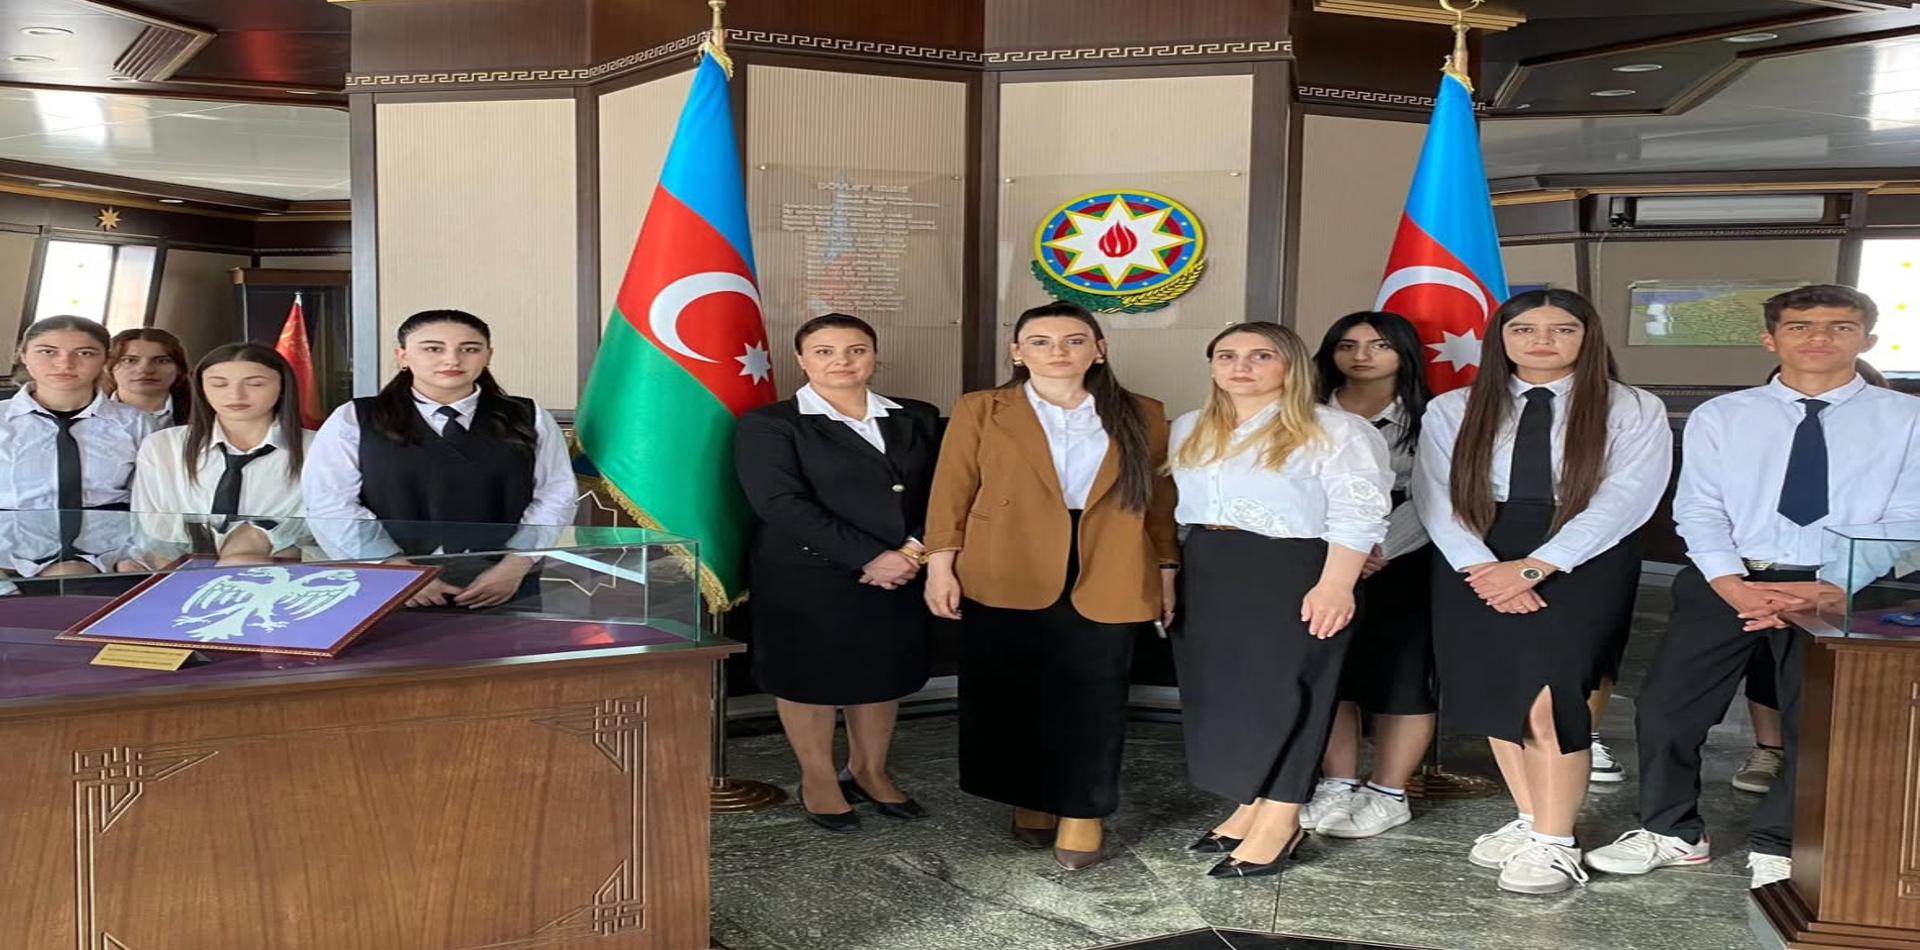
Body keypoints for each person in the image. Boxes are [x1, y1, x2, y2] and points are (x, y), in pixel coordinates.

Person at [1586, 284, 1920, 889]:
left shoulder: (1906, 418)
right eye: (1800, 326)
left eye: (1840, 327)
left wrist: (1832, 584)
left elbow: (1908, 514)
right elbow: (1699, 507)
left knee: (1818, 720)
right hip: (1729, 579)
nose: (1819, 338)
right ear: (1771, 339)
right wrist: (1731, 583)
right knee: (1667, 710)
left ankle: (1783, 840)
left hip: (1843, 586)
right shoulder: (1724, 415)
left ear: (1868, 339)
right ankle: (1671, 830)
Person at [1413, 288, 1671, 895]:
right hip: (1476, 554)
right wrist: (1482, 568)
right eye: (1525, 329)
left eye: (1562, 329)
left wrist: (1537, 567)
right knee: (1499, 693)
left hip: (1582, 554)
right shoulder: (1454, 407)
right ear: (1501, 339)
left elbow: (1627, 497)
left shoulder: (1632, 407)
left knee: (1550, 699)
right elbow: (1435, 495)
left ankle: (1556, 844)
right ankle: (1531, 819)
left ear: (1588, 337)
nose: (1542, 341)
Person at [923, 301, 1178, 871]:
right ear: (1017, 352)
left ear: (1099, 349)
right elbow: (952, 490)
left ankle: (1083, 811)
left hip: (1109, 560)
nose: (1057, 351)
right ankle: (1032, 796)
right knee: (1012, 691)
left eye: (1073, 340)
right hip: (1005, 560)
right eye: (1040, 341)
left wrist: (1166, 569)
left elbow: (1160, 501)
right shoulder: (982, 408)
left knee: (1095, 694)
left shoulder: (1143, 412)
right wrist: (940, 565)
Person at [1171, 322, 1391, 878]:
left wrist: (1337, 583)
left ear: (1291, 365)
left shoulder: (1335, 429)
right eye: (1227, 355)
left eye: (1261, 355)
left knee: (1291, 694)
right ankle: (1250, 804)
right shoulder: (1190, 426)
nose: (1241, 366)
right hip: (1210, 566)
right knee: (1231, 695)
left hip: (1293, 568)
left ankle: (1282, 819)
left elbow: (1359, 511)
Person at [734, 313, 940, 833]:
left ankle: (870, 771)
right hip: (808, 574)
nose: (842, 361)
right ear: (801, 360)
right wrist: (870, 557)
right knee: (809, 677)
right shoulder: (771, 423)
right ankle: (819, 777)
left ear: (875, 356)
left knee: (882, 673)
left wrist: (912, 552)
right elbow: (780, 503)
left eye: (856, 350)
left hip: (901, 569)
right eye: (824, 351)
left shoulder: (917, 416)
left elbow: (946, 491)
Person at [303, 309, 576, 608]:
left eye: (469, 349)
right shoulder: (355, 418)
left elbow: (556, 494)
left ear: (488, 355)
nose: (452, 360)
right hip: (387, 585)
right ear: (403, 356)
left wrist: (517, 563)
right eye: (433, 349)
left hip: (504, 584)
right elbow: (329, 502)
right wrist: (393, 567)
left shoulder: (528, 416)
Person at [1298, 311, 1436, 840]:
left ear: (1404, 354)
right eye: (1347, 345)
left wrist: (1372, 550)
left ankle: (1388, 791)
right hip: (1320, 558)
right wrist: (1343, 554)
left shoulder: (1431, 417)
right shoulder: (1304, 413)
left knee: (1403, 676)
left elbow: (1434, 497)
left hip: (1403, 559)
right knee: (1334, 674)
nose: (1361, 356)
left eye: (1378, 345)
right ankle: (1338, 783)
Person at [129, 344, 312, 563]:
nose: (236, 395)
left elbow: (319, 527)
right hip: (179, 563)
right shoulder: (163, 446)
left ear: (282, 386)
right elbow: (154, 527)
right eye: (219, 384)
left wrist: (256, 539)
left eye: (255, 384)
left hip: (281, 564)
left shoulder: (317, 447)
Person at [0, 316, 152, 575]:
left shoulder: (136, 424)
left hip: (111, 554)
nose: (65, 363)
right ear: (23, 355)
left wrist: (129, 558)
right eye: (48, 352)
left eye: (85, 353)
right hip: (9, 551)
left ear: (106, 359)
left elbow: (152, 504)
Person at [105, 328, 191, 430]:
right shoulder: (90, 413)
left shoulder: (201, 415)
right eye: (130, 360)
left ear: (179, 368)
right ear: (109, 367)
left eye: (162, 361)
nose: (146, 370)